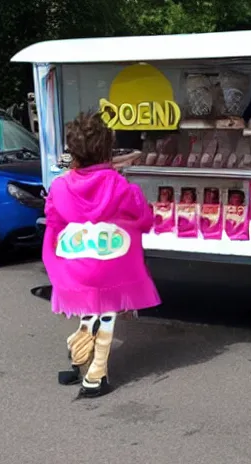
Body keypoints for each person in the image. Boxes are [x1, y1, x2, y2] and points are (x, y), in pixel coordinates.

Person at [42, 111, 161, 399]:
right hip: (111, 264)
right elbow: (144, 219)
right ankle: (96, 375)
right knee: (107, 311)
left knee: (88, 306)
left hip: (73, 266)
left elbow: (52, 221)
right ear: (108, 151)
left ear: (74, 153)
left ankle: (78, 356)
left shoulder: (59, 187)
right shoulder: (121, 186)